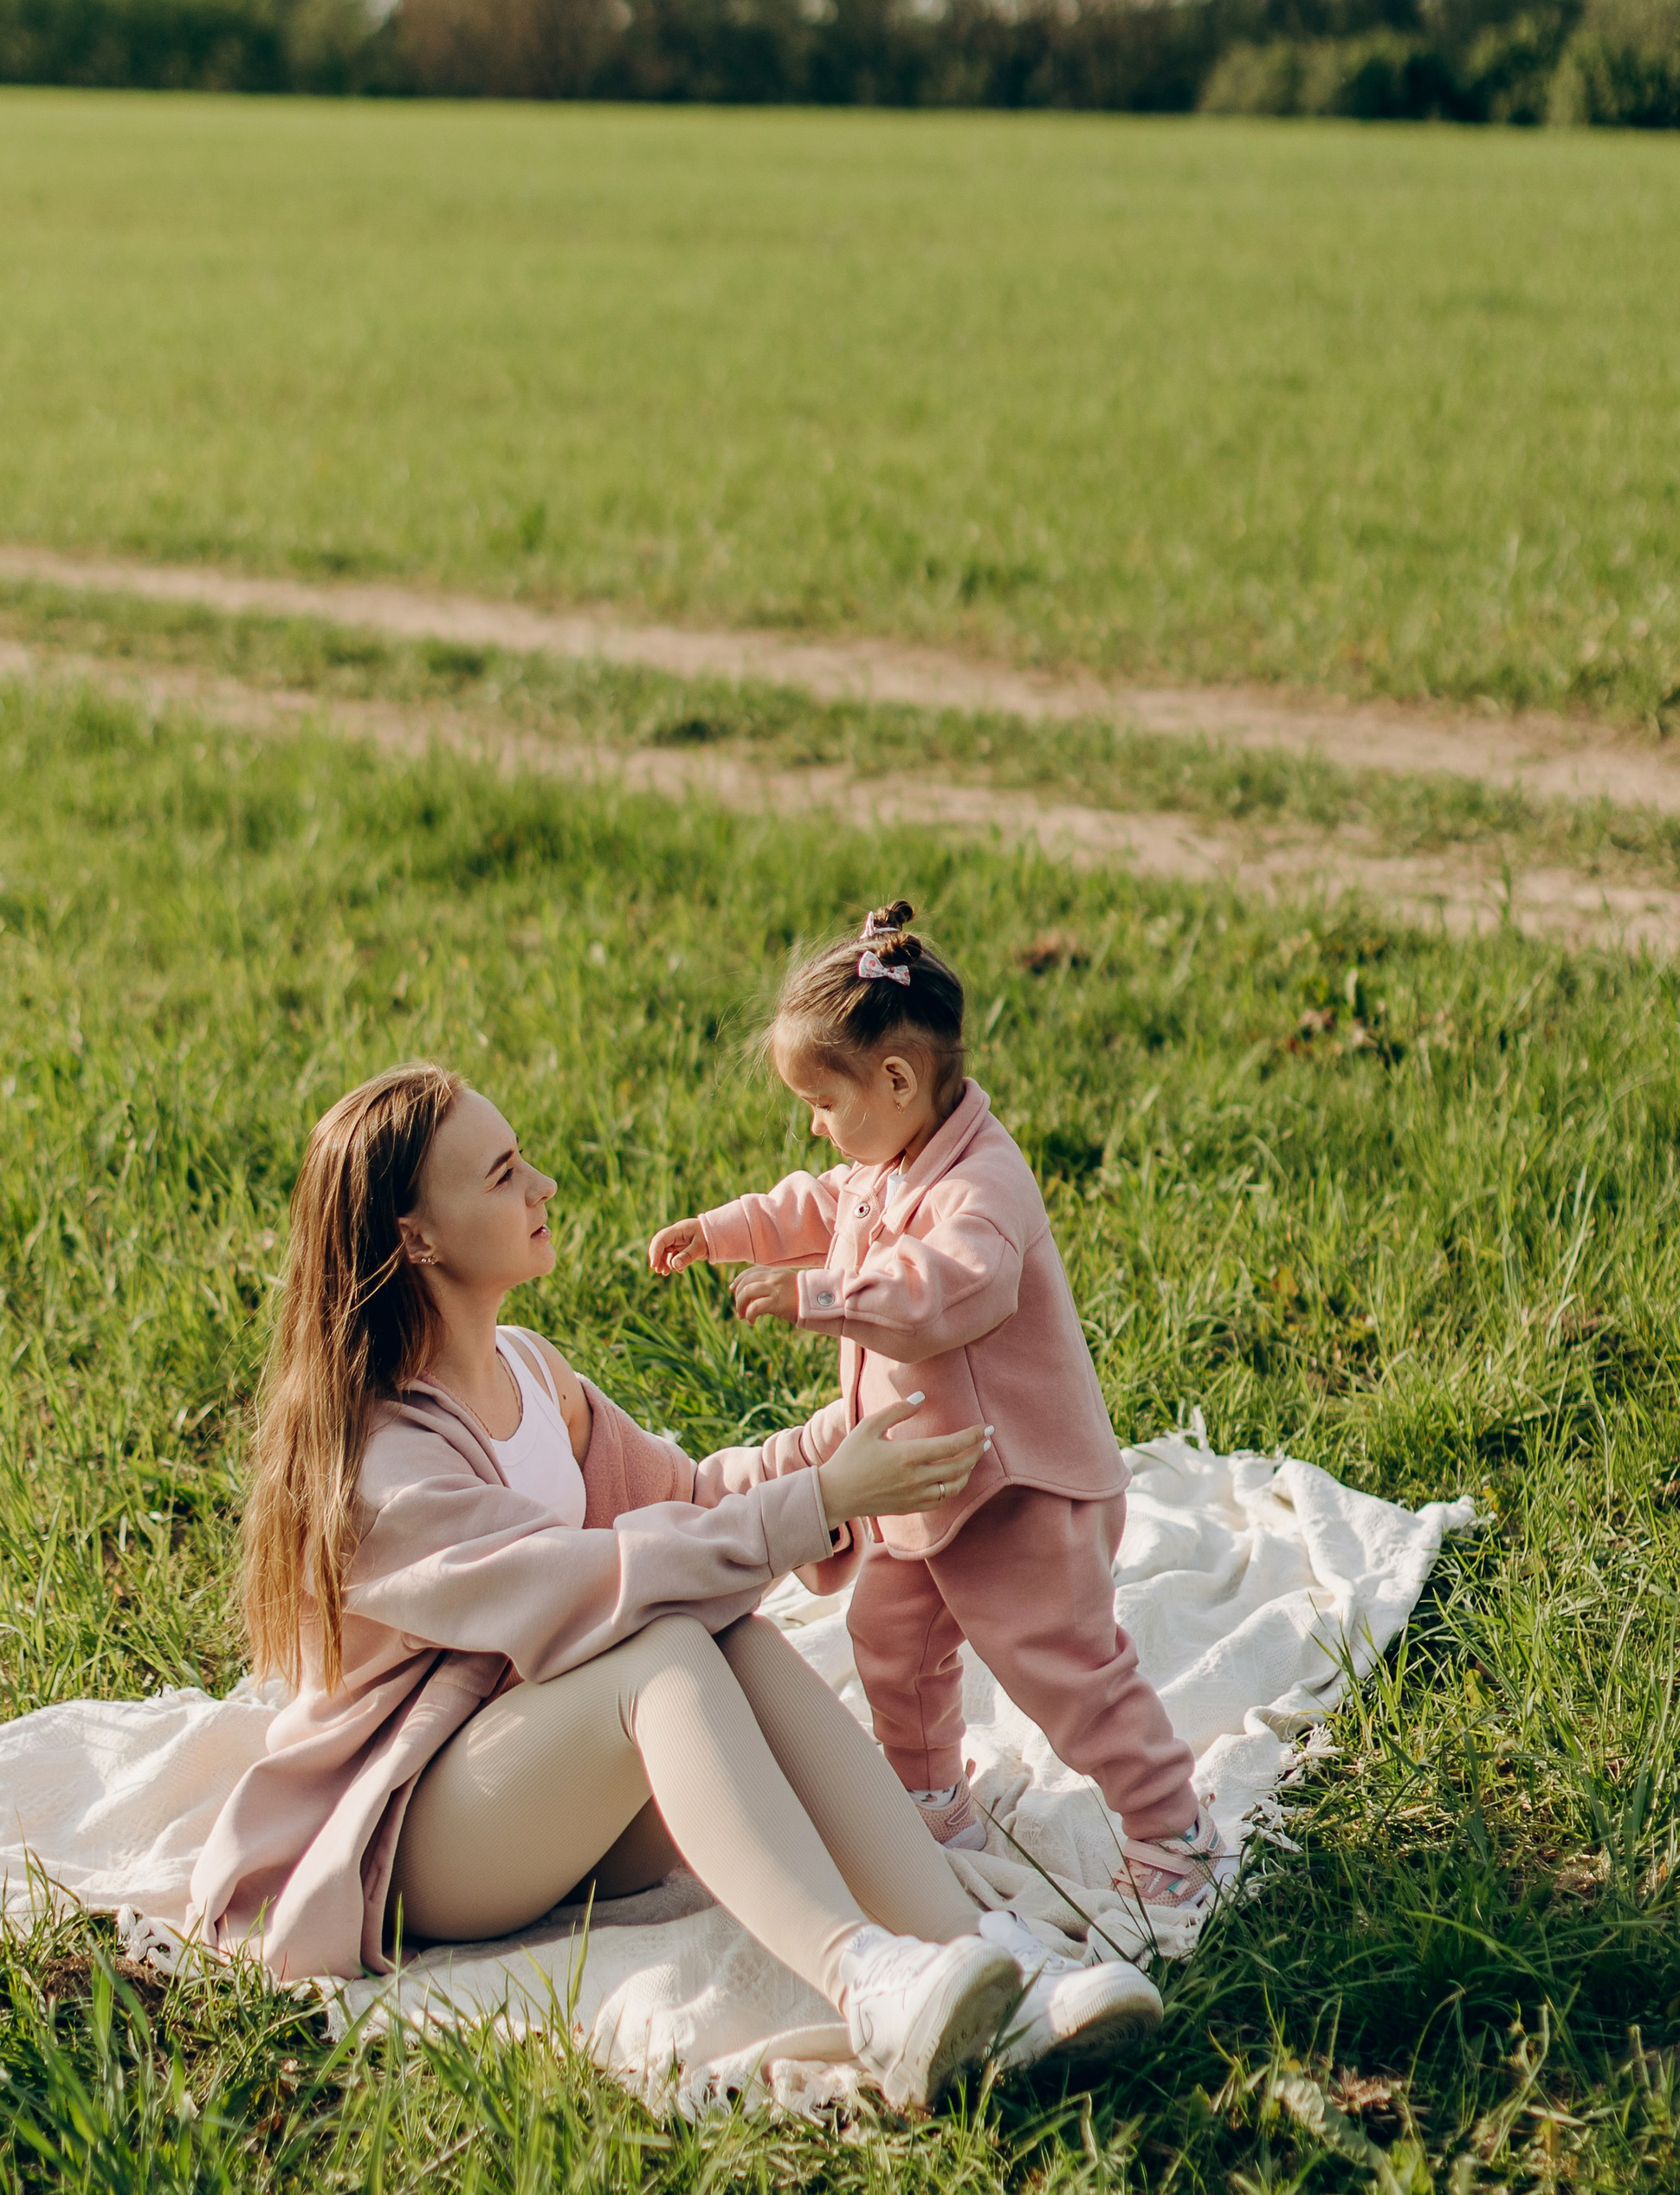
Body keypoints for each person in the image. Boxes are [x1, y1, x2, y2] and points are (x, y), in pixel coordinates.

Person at [186, 1061, 1164, 2108]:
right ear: (414, 1236)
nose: (544, 1187)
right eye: (505, 1173)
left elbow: (684, 1497)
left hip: (566, 1790)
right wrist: (816, 1500)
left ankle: (984, 1961)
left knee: (728, 1632)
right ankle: (862, 1980)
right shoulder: (381, 1467)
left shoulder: (530, 1370)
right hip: (428, 1832)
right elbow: (588, 1586)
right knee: (656, 1648)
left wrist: (844, 1447)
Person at [650, 902, 1215, 1913]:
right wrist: (727, 1229)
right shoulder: (888, 1159)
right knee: (891, 1637)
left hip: (1016, 1488)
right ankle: (927, 1798)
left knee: (1063, 1670)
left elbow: (943, 1293)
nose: (815, 1127)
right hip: (926, 1481)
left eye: (822, 1104)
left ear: (897, 1080)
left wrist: (819, 1295)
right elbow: (823, 1202)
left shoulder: (983, 1188)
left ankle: (1173, 1826)